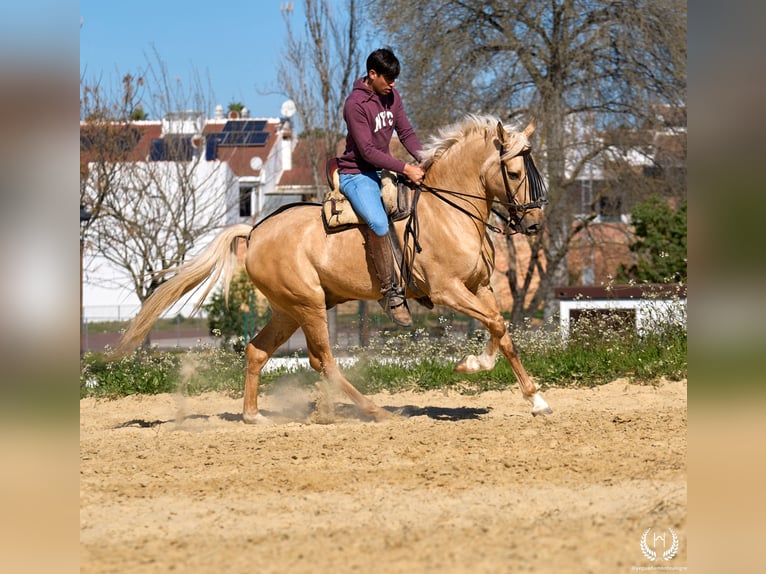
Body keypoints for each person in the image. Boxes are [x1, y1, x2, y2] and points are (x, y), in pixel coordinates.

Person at [337, 47, 425, 327]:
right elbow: (367, 151)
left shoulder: (392, 96)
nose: (393, 84)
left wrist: (426, 161)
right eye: (388, 79)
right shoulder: (355, 104)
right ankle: (390, 295)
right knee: (377, 222)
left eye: (395, 79)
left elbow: (407, 133)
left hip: (382, 169)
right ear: (372, 74)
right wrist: (405, 168)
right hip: (357, 173)